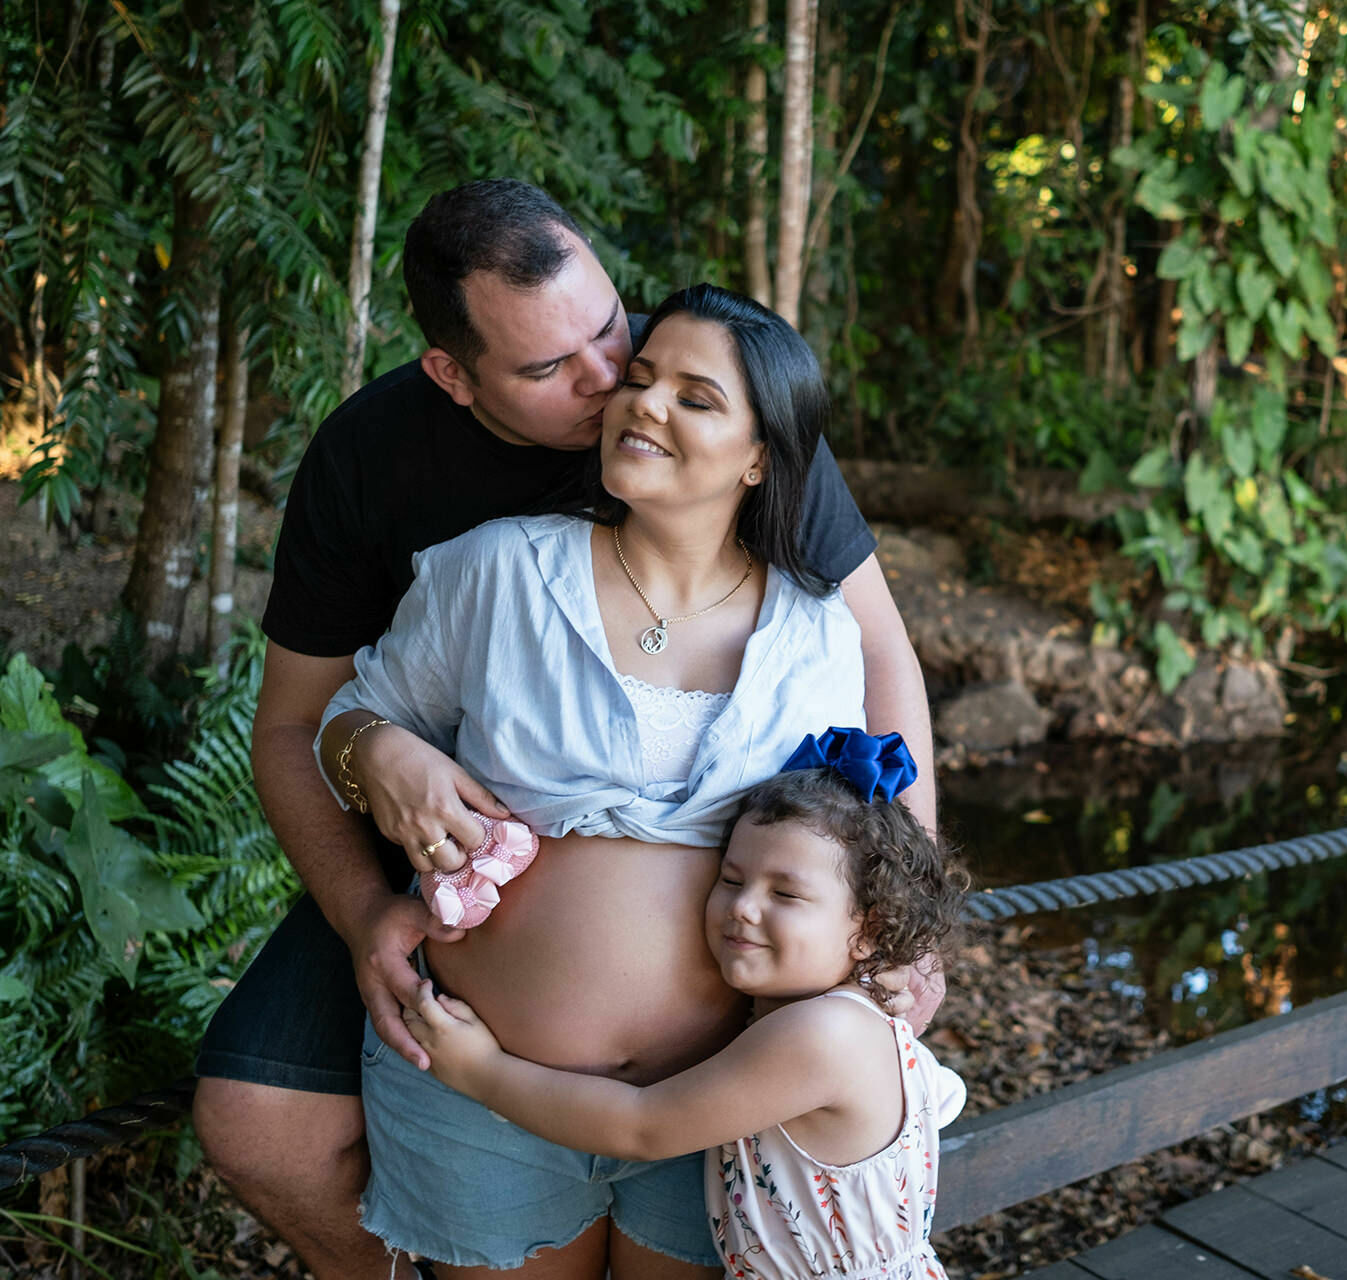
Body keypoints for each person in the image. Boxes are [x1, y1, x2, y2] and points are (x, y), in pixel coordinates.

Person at [192, 181, 936, 1280]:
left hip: (710, 1084)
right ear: (456, 376)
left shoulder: (778, 530)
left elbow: (881, 671)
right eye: (558, 368)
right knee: (257, 1117)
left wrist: (901, 933)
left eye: (614, 334)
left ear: (758, 456)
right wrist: (370, 823)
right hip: (460, 954)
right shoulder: (418, 497)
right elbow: (307, 721)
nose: (615, 385)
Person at [317, 281, 885, 1278]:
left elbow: (836, 850)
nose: (645, 403)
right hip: (477, 1088)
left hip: (715, 1100)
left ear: (759, 456)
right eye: (641, 376)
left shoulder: (817, 633)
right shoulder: (496, 569)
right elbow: (345, 720)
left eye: (695, 397)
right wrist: (377, 749)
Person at [401, 731, 969, 1280]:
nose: (743, 907)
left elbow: (642, 1128)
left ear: (870, 929)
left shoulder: (825, 1034)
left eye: (786, 893)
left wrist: (482, 1071)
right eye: (731, 879)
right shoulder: (853, 1015)